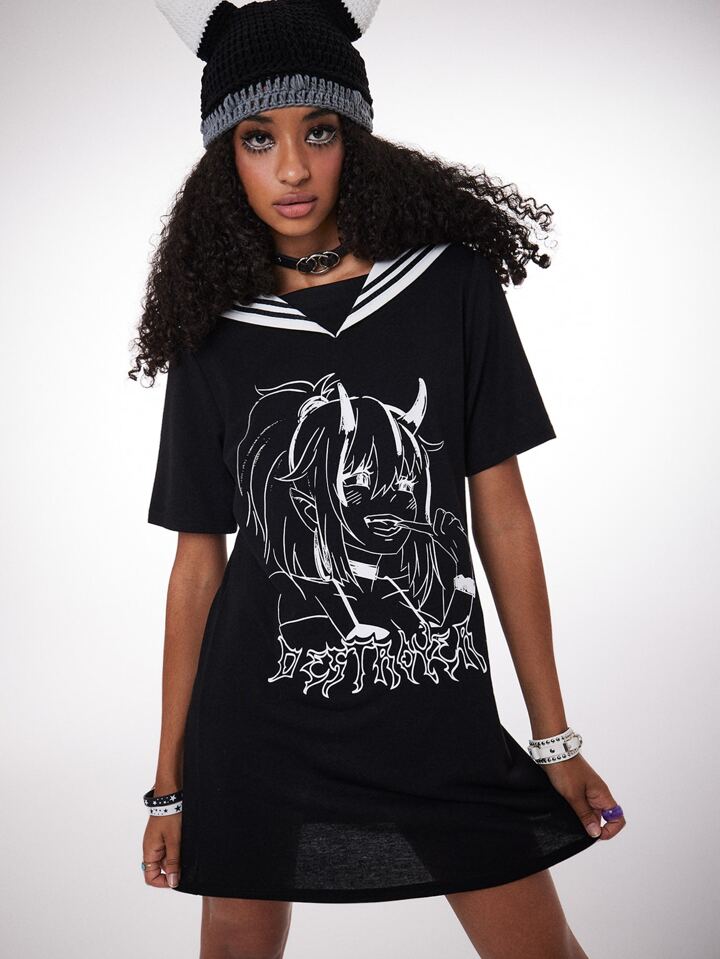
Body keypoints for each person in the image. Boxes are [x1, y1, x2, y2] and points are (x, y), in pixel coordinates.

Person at [131, 1, 626, 956]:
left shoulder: (450, 284)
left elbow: (502, 518)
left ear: (354, 135)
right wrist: (170, 785)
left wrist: (554, 737)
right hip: (257, 727)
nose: (291, 168)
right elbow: (198, 566)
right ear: (224, 155)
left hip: (436, 714)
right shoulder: (211, 330)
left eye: (317, 132)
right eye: (257, 138)